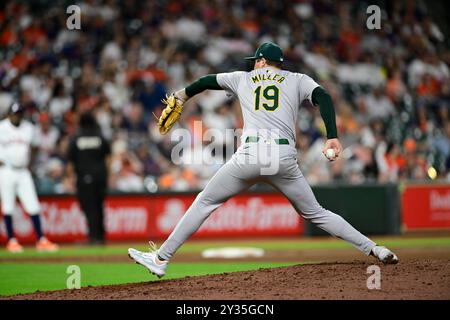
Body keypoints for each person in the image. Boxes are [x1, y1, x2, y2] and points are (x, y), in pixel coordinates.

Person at [128, 42, 398, 278]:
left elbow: (206, 81)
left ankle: (161, 259)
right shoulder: (297, 79)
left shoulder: (243, 78)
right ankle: (375, 248)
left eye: (255, 61)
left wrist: (181, 95)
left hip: (250, 155)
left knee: (205, 202)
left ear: (260, 61)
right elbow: (324, 97)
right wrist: (332, 136)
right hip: (283, 157)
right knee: (316, 213)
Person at [0, 102, 59, 253]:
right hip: (6, 170)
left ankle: (41, 240)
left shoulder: (28, 128)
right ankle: (12, 240)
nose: (16, 117)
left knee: (33, 205)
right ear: (9, 114)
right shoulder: (2, 127)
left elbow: (34, 146)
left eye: (19, 114)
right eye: (14, 114)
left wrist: (29, 162)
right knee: (8, 206)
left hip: (23, 171)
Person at [67, 112, 111, 245]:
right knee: (99, 206)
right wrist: (107, 175)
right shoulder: (100, 137)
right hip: (100, 177)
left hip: (84, 177)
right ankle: (101, 237)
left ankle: (93, 237)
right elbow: (108, 158)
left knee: (89, 208)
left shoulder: (76, 138)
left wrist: (70, 178)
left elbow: (70, 162)